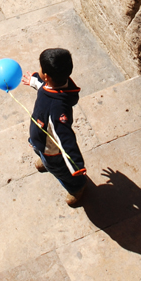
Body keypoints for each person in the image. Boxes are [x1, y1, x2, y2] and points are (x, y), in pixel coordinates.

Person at [22, 47, 88, 207]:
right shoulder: (55, 84)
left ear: (47, 76)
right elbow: (41, 85)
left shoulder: (57, 110)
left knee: (60, 170)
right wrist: (33, 81)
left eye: (40, 69)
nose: (38, 72)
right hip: (39, 138)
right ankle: (42, 157)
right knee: (38, 148)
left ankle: (77, 186)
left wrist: (76, 164)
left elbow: (65, 138)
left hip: (52, 151)